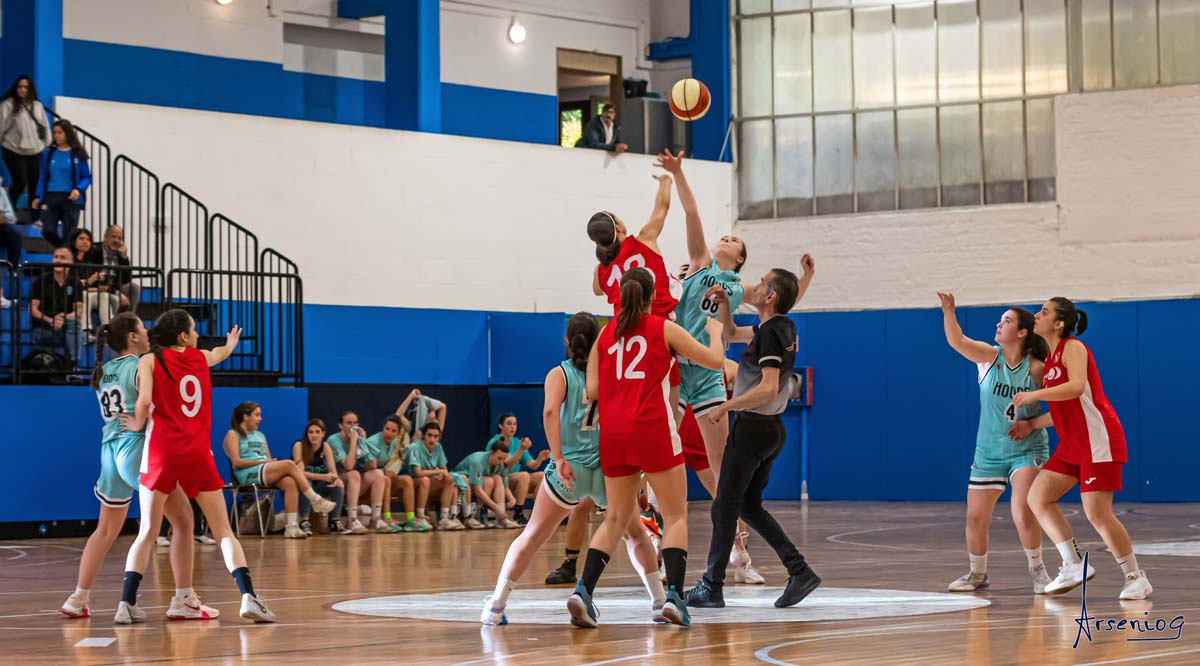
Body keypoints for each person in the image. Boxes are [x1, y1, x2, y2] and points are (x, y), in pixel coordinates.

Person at [484, 312, 667, 625]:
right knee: (635, 533)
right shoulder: (609, 371)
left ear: (566, 341)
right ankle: (659, 603)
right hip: (609, 468)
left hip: (571, 468)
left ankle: (496, 606)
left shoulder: (560, 373)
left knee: (532, 536)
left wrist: (557, 457)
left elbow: (551, 411)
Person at [567, 268, 726, 628]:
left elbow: (591, 391)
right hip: (651, 428)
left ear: (621, 295)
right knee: (675, 515)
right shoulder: (662, 327)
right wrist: (715, 333)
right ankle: (674, 598)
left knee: (615, 517)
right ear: (654, 295)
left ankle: (583, 592)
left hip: (614, 432)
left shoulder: (607, 333)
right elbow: (715, 362)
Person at [116, 310, 275, 623]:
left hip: (161, 451)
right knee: (223, 530)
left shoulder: (149, 360)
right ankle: (248, 597)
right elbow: (220, 352)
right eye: (194, 330)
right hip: (197, 452)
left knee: (147, 530)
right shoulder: (200, 358)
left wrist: (136, 423)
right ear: (183, 337)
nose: (198, 335)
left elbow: (145, 402)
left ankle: (126, 603)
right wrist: (231, 344)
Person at [61, 313, 218, 621]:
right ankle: (183, 598)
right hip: (135, 448)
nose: (148, 333)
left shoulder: (104, 370)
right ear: (133, 337)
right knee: (184, 521)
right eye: (143, 328)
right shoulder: (142, 364)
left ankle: (78, 597)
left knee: (105, 530)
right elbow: (150, 404)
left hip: (109, 453)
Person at [656, 149, 765, 584]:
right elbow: (690, 210)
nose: (727, 239)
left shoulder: (742, 288)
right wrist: (679, 173)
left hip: (708, 375)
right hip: (672, 370)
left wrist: (805, 280)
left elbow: (768, 316)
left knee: (722, 469)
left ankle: (739, 547)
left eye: (735, 241)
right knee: (659, 463)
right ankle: (665, 554)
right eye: (726, 236)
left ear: (739, 259)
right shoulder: (699, 265)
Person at [685, 263, 822, 610]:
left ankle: (711, 586)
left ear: (770, 296)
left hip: (753, 429)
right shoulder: (777, 327)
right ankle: (799, 570)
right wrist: (725, 305)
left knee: (724, 507)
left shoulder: (769, 333)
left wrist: (726, 405)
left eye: (761, 284)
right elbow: (730, 333)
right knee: (748, 506)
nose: (755, 287)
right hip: (770, 430)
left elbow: (768, 387)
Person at [1011, 297, 1153, 600]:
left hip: (1097, 439)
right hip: (1073, 444)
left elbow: (1076, 387)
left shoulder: (1073, 348)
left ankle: (1135, 577)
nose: (1037, 315)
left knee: (1097, 514)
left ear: (1059, 324)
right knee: (1037, 497)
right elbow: (1065, 408)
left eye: (1045, 312)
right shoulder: (1049, 361)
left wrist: (1034, 394)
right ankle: (1073, 564)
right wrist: (1032, 424)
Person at [935, 293, 1052, 593]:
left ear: (1023, 332)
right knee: (975, 517)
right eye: (1000, 320)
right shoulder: (989, 357)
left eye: (1007, 321)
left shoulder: (1037, 369)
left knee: (1022, 511)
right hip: (988, 451)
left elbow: (1063, 412)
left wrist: (1031, 424)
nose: (999, 325)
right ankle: (977, 574)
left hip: (1027, 448)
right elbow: (957, 341)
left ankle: (1038, 571)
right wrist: (949, 312)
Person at [223, 402, 337, 539]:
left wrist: (269, 462)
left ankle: (292, 526)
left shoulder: (260, 435)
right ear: (246, 416)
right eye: (257, 415)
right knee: (289, 464)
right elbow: (236, 462)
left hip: (263, 470)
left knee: (290, 481)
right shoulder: (232, 434)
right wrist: (264, 462)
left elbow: (268, 458)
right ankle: (315, 499)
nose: (260, 419)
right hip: (247, 474)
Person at [327, 410, 390, 532]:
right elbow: (348, 466)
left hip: (353, 486)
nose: (353, 426)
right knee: (354, 473)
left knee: (378, 474)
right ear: (341, 425)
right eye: (349, 423)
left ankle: (375, 519)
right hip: (335, 484)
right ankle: (352, 520)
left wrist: (363, 442)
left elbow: (372, 465)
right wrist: (353, 442)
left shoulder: (358, 439)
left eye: (355, 423)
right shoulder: (333, 440)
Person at [361, 415, 426, 532]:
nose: (389, 433)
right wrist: (384, 472)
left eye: (393, 431)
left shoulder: (396, 443)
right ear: (382, 429)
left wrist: (391, 472)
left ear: (398, 433)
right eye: (387, 429)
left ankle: (411, 520)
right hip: (364, 483)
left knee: (406, 480)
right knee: (385, 478)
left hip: (382, 479)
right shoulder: (372, 441)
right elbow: (366, 468)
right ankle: (387, 519)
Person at [33, 119, 92, 247]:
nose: (56, 135)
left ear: (67, 133)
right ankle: (62, 249)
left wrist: (78, 189)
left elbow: (87, 177)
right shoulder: (48, 153)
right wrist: (38, 196)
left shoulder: (77, 154)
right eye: (54, 132)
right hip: (51, 197)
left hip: (71, 199)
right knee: (47, 230)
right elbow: (42, 176)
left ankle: (65, 255)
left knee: (69, 235)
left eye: (60, 132)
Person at [0, 75, 51, 209]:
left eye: (26, 87)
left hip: (35, 150)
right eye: (20, 86)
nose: (22, 90)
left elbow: (45, 126)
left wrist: (48, 142)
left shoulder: (37, 105)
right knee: (20, 182)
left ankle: (32, 215)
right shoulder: (7, 105)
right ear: (16, 88)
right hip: (13, 149)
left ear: (30, 89)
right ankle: (8, 210)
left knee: (34, 183)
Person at [488, 413, 549, 524]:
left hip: (516, 479)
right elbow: (506, 465)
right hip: (500, 480)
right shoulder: (495, 442)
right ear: (501, 426)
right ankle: (518, 513)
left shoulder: (516, 442)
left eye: (515, 424)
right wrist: (521, 449)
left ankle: (535, 513)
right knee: (523, 476)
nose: (513, 427)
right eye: (509, 424)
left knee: (542, 475)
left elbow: (532, 465)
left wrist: (540, 458)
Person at [291, 418, 348, 535]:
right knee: (305, 481)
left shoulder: (326, 447)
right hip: (300, 488)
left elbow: (333, 472)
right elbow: (300, 473)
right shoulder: (299, 446)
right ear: (306, 434)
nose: (314, 435)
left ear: (323, 434)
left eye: (317, 432)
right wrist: (323, 477)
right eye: (310, 432)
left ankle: (335, 521)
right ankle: (304, 521)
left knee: (338, 484)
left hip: (318, 489)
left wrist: (335, 479)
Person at [407, 421, 466, 530]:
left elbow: (444, 470)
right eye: (429, 435)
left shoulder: (438, 447)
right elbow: (418, 473)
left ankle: (445, 518)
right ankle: (420, 517)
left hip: (429, 483)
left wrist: (440, 473)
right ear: (424, 435)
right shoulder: (414, 447)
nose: (432, 439)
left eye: (436, 436)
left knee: (450, 479)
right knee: (425, 479)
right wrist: (437, 472)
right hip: (411, 485)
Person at [29, 246, 83, 364]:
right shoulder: (41, 280)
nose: (58, 260)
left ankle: (73, 366)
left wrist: (62, 318)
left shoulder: (76, 283)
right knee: (77, 333)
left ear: (71, 263)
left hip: (65, 327)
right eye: (55, 257)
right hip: (43, 329)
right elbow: (33, 309)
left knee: (75, 324)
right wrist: (51, 320)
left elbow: (78, 311)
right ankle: (73, 367)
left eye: (62, 258)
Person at [70, 229, 119, 341]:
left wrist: (97, 288)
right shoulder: (70, 260)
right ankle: (84, 331)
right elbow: (71, 284)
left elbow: (88, 288)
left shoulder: (89, 263)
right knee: (84, 295)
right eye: (81, 239)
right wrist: (89, 281)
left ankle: (107, 331)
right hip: (71, 295)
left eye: (88, 239)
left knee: (103, 295)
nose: (85, 242)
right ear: (74, 241)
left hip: (85, 294)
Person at [454, 442, 511, 530]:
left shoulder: (501, 464)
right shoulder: (478, 461)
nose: (501, 462)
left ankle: (501, 519)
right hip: (460, 483)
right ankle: (468, 517)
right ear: (491, 452)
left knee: (496, 478)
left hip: (476, 484)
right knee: (466, 480)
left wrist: (512, 499)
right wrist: (496, 509)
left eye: (504, 459)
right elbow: (478, 490)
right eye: (499, 458)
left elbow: (504, 484)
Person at [93, 225, 137, 312]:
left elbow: (127, 280)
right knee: (115, 300)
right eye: (113, 237)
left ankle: (130, 318)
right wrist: (116, 292)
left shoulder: (120, 254)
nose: (116, 240)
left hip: (115, 288)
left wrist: (124, 258)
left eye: (119, 238)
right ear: (105, 237)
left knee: (134, 287)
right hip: (99, 288)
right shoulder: (95, 250)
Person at [0, 184, 17, 309]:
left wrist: (3, 217)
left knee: (15, 236)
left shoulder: (1, 191)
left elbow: (11, 217)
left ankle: (13, 268)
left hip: (2, 227)